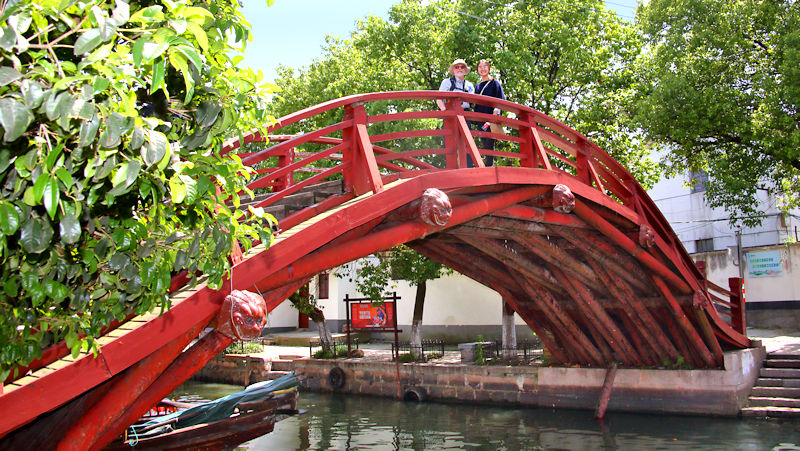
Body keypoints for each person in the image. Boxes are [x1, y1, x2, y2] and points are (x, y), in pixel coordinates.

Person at [474, 59, 506, 167]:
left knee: (489, 140)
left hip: (489, 118)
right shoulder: (478, 86)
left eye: (485, 66)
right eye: (480, 66)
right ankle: (486, 165)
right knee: (484, 140)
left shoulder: (494, 82)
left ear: (489, 68)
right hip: (480, 118)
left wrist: (496, 111)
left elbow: (500, 98)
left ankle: (489, 166)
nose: (482, 69)